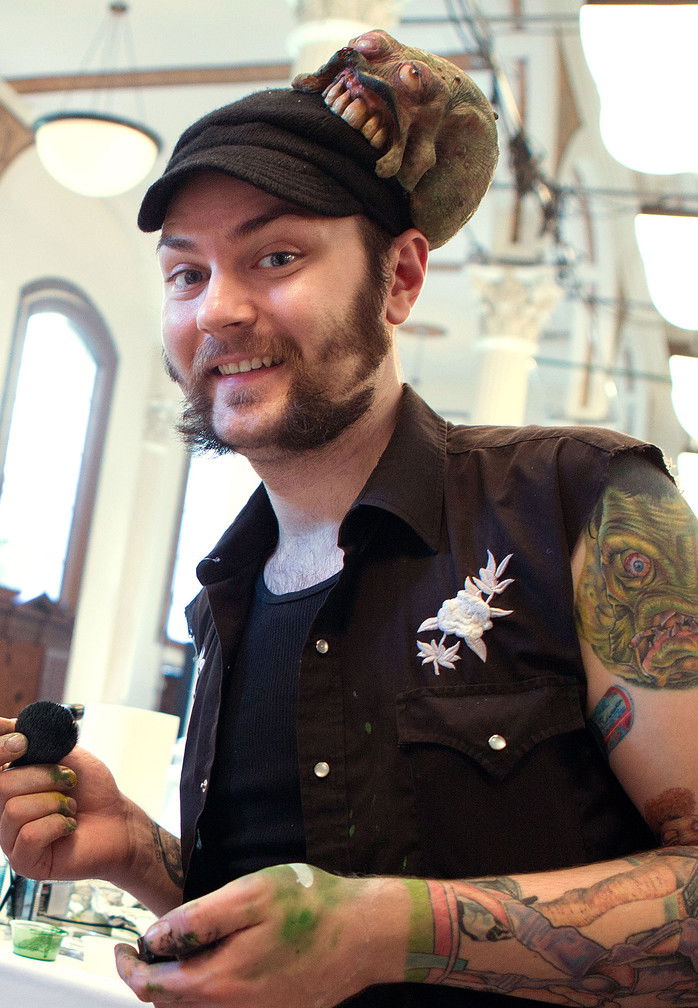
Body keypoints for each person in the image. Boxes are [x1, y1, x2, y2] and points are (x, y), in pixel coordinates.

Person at [1, 31, 697, 1008]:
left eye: (276, 256)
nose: (217, 310)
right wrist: (136, 854)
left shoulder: (581, 502)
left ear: (400, 278)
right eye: (186, 274)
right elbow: (286, 922)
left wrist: (384, 931)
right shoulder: (225, 597)